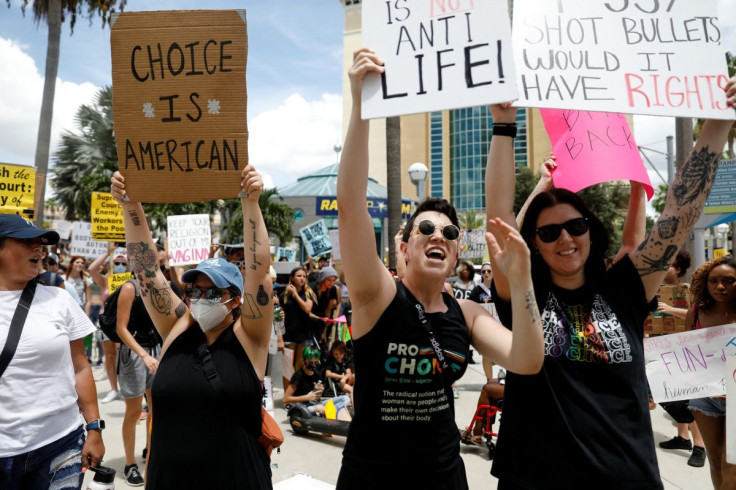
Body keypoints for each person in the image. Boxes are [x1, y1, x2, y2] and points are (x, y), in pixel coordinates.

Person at [484, 75, 736, 489]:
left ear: (591, 230)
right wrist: (504, 125)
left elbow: (679, 214)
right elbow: (498, 219)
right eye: (548, 233)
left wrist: (719, 123)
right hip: (534, 477)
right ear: (532, 244)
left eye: (575, 225)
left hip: (626, 477)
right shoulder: (524, 286)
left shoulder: (624, 286)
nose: (565, 238)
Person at [334, 48, 544, 489]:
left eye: (449, 234)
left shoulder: (465, 313)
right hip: (373, 477)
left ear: (455, 253)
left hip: (444, 475)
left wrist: (522, 279)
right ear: (405, 246)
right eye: (425, 228)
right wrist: (361, 105)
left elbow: (526, 359)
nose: (438, 236)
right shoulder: (378, 295)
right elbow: (351, 207)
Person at [110, 165, 273, 489]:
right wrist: (130, 204)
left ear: (236, 300)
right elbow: (146, 270)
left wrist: (250, 203)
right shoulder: (177, 328)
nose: (201, 298)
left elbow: (260, 270)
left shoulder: (250, 338)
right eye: (194, 290)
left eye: (213, 292)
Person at [0, 214, 104, 488]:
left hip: (60, 444)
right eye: (27, 241)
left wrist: (94, 427)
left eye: (41, 242)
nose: (38, 248)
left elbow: (81, 367)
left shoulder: (59, 300)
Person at [686, 257, 736, 488]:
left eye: (729, 281)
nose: (720, 286)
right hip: (704, 397)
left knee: (731, 465)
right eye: (713, 281)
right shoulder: (695, 313)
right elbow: (686, 353)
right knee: (715, 461)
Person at [655, 250, 706, 467]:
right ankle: (683, 438)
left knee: (688, 398)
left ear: (678, 269)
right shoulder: (654, 289)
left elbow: (698, 317)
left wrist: (669, 308)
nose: (663, 267)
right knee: (670, 394)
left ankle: (700, 446)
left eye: (668, 264)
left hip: (686, 350)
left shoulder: (691, 292)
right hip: (662, 348)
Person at [114, 268, 162, 486]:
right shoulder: (130, 288)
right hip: (134, 353)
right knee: (134, 412)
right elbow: (121, 329)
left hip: (156, 351)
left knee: (156, 409)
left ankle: (151, 456)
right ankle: (130, 464)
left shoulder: (160, 287)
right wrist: (143, 355)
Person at [89, 249, 128, 404]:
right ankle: (114, 389)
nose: (119, 265)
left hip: (125, 323)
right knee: (109, 356)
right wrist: (107, 253)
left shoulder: (131, 280)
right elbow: (92, 269)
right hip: (105, 322)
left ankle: (126, 388)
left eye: (123, 263)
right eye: (116, 263)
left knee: (123, 357)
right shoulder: (106, 280)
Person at [282, 345, 352, 420]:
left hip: (317, 403)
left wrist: (320, 390)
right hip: (303, 406)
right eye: (310, 362)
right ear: (304, 360)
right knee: (319, 408)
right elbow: (285, 399)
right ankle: (331, 412)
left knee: (345, 398)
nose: (313, 365)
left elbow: (317, 394)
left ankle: (328, 411)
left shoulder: (317, 374)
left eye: (316, 362)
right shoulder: (298, 376)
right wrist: (306, 397)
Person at [280, 267, 317, 389]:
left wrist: (295, 294)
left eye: (304, 276)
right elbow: (278, 316)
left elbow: (307, 309)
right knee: (287, 367)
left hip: (304, 335)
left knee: (300, 366)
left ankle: (297, 394)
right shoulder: (283, 295)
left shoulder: (308, 293)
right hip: (289, 334)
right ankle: (287, 396)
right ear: (292, 278)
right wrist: (279, 337)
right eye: (299, 276)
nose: (302, 279)